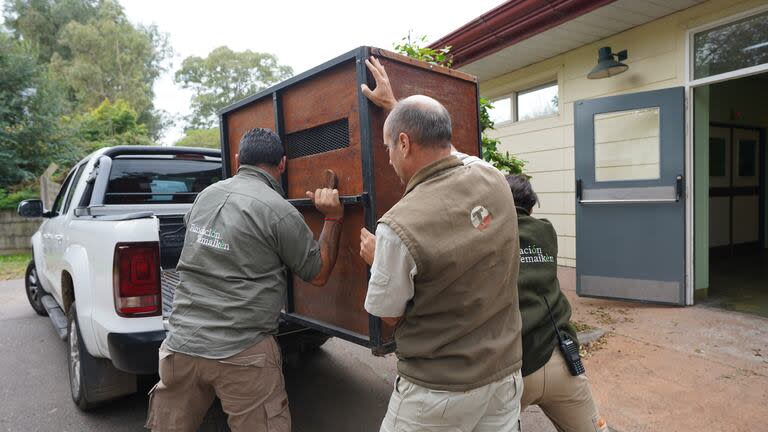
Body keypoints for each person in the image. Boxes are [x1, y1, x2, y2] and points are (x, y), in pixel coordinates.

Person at [359, 57, 524, 432]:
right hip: (503, 378)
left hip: (437, 394)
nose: (387, 159)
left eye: (388, 147)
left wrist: (376, 259)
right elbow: (444, 152)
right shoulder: (494, 178)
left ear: (404, 143)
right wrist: (396, 108)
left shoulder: (397, 227)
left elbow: (389, 314)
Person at [145, 128, 344, 432]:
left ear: (238, 160)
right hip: (243, 352)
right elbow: (318, 273)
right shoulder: (280, 211)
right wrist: (332, 218)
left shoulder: (204, 197)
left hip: (180, 346)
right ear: (283, 164)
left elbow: (209, 238)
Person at [506, 174, 608, 432]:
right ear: (530, 206)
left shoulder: (490, 236)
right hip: (561, 358)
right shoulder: (545, 230)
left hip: (512, 368)